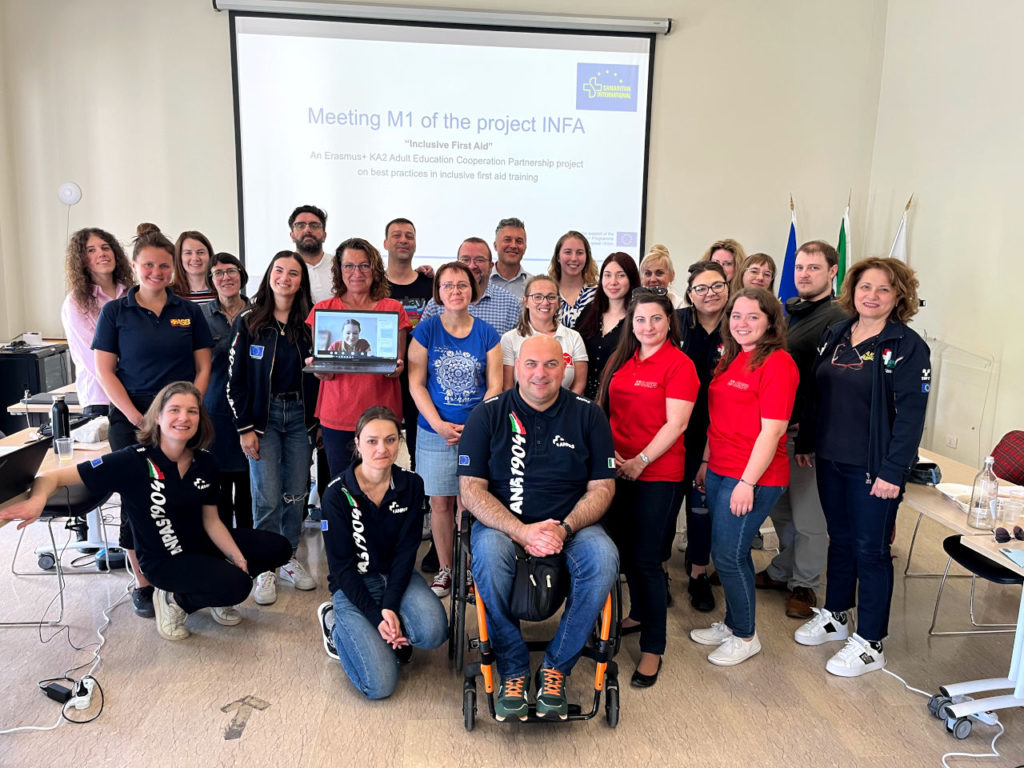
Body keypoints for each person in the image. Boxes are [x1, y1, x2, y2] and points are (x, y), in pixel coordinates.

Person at [0, 382, 292, 641]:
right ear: (158, 417)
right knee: (239, 586)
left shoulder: (206, 462)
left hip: (202, 546)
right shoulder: (131, 461)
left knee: (278, 548)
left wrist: (236, 557)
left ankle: (211, 587)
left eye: (192, 411)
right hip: (164, 560)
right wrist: (37, 502)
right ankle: (176, 601)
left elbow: (212, 521)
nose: (184, 418)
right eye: (175, 409)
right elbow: (53, 477)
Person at [459, 335, 618, 720]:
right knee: (489, 555)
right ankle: (513, 668)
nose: (540, 374)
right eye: (530, 364)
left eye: (550, 365)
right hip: (504, 525)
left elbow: (602, 488)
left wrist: (564, 527)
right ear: (517, 367)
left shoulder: (588, 414)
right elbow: (471, 492)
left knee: (604, 558)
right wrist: (522, 532)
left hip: (572, 525)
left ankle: (555, 670)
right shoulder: (488, 415)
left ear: (565, 367)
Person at [793, 257, 929, 677]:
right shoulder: (836, 333)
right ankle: (835, 614)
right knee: (841, 540)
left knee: (872, 550)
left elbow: (910, 416)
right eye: (865, 287)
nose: (871, 296)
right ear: (852, 291)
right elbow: (818, 391)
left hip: (875, 467)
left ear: (898, 297)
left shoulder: (906, 346)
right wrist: (809, 440)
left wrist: (894, 470)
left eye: (883, 289)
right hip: (830, 457)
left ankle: (871, 641)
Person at [92, 223, 213, 618]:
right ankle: (144, 583)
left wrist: (187, 409)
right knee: (137, 500)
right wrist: (140, 418)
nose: (157, 273)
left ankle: (184, 573)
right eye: (149, 266)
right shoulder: (115, 312)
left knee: (181, 495)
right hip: (134, 417)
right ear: (135, 265)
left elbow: (203, 366)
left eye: (164, 266)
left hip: (179, 419)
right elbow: (104, 372)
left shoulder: (188, 311)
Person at [690, 288, 798, 666]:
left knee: (729, 554)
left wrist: (746, 483)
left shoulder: (778, 363)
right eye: (736, 315)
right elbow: (716, 417)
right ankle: (734, 621)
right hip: (720, 467)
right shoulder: (733, 358)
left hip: (754, 476)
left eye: (753, 316)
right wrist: (705, 461)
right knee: (730, 553)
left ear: (770, 321)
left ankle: (746, 635)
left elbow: (772, 432)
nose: (742, 323)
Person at [599, 289, 698, 688]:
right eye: (640, 320)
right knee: (623, 554)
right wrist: (614, 461)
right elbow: (605, 411)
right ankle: (638, 612)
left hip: (655, 473)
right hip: (617, 469)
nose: (648, 327)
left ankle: (653, 647)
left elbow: (676, 425)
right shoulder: (624, 359)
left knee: (646, 559)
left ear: (669, 321)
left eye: (656, 319)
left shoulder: (680, 365)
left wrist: (640, 461)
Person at [316, 406, 448, 699]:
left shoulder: (411, 485)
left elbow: (406, 553)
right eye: (372, 441)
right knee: (380, 686)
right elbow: (341, 569)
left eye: (390, 440)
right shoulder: (335, 494)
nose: (382, 449)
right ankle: (335, 625)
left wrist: (389, 605)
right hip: (354, 584)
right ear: (357, 443)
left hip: (395, 576)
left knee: (434, 632)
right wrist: (377, 617)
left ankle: (391, 627)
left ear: (400, 442)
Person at [758, 241, 849, 618]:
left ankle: (805, 585)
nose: (804, 274)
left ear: (832, 271)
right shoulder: (788, 312)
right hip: (775, 431)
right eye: (799, 268)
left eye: (813, 268)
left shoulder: (837, 317)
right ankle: (782, 569)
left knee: (810, 517)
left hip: (804, 435)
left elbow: (826, 384)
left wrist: (808, 436)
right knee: (780, 511)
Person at [228, 251, 320, 605]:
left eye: (293, 273)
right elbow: (235, 381)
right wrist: (244, 428)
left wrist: (319, 421)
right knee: (266, 496)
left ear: (301, 282)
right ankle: (264, 564)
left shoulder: (311, 324)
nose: (285, 278)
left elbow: (321, 378)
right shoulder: (249, 321)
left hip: (300, 417)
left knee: (296, 492)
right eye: (279, 270)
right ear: (269, 276)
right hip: (262, 422)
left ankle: (286, 557)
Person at [409, 261, 502, 597]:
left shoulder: (488, 333)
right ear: (439, 293)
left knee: (470, 504)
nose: (455, 291)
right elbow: (416, 384)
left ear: (472, 290)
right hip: (434, 432)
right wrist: (438, 424)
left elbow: (495, 386)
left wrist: (473, 425)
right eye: (447, 286)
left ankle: (470, 571)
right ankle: (447, 570)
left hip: (477, 433)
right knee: (440, 504)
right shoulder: (426, 330)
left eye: (461, 285)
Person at [306, 238, 410, 475]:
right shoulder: (324, 310)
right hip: (337, 414)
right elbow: (326, 369)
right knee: (341, 486)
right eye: (349, 266)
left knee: (381, 485)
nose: (357, 272)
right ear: (339, 270)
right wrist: (319, 369)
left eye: (364, 265)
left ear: (375, 269)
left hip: (381, 414)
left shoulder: (393, 309)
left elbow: (397, 367)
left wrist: (395, 368)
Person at [674, 261, 730, 612]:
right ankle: (659, 572)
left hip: (717, 433)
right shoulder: (676, 322)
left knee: (701, 507)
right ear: (690, 294)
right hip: (672, 429)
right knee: (664, 507)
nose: (709, 294)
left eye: (717, 286)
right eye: (701, 288)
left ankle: (698, 574)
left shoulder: (738, 325)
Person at [201, 252, 252, 529]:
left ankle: (248, 553)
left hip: (248, 413)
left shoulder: (258, 313)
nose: (225, 278)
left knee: (248, 488)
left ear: (241, 275)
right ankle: (222, 554)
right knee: (218, 488)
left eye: (231, 271)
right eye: (218, 273)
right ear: (211, 280)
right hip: (213, 412)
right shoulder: (200, 317)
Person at [59, 227, 134, 418]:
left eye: (105, 247)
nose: (101, 253)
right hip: (101, 399)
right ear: (81, 260)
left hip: (139, 394)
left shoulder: (132, 293)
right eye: (91, 250)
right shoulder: (76, 301)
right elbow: (95, 357)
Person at [383, 217, 434, 469]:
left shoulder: (431, 284)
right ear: (385, 243)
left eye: (409, 236)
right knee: (382, 438)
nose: (403, 240)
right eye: (396, 235)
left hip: (422, 375)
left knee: (418, 441)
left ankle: (419, 494)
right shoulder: (375, 286)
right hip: (383, 375)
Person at [501, 275, 587, 394]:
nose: (545, 302)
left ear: (558, 303)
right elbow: (507, 386)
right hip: (522, 410)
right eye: (537, 297)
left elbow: (579, 384)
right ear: (525, 302)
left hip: (566, 409)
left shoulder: (574, 337)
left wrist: (566, 410)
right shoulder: (509, 339)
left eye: (551, 297)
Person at [421, 238, 521, 335]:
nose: (472, 266)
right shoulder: (436, 304)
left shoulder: (512, 305)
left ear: (491, 267)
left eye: (479, 260)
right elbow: (420, 342)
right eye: (465, 259)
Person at [575, 252, 641, 400]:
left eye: (621, 275)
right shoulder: (589, 312)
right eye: (607, 275)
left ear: (631, 279)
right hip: (584, 400)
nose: (613, 281)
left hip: (621, 400)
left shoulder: (639, 318)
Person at [548, 230, 598, 329]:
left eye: (579, 253)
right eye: (568, 252)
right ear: (558, 257)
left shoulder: (598, 294)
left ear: (587, 257)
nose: (574, 258)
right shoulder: (547, 293)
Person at [289, 204, 333, 304]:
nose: (308, 230)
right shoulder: (282, 270)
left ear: (324, 235)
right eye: (300, 225)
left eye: (314, 225)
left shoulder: (340, 266)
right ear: (292, 236)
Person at [172, 231, 217, 305]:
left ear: (210, 256)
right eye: (188, 253)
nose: (195, 258)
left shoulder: (222, 290)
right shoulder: (168, 294)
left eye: (200, 252)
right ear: (179, 257)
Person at [489, 217, 530, 298]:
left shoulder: (534, 285)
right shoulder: (481, 284)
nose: (513, 245)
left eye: (519, 241)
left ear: (525, 248)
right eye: (507, 240)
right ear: (495, 246)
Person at [639, 244, 685, 309]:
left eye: (659, 273)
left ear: (672, 276)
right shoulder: (634, 304)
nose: (653, 279)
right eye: (648, 274)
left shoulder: (680, 306)